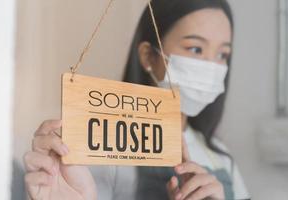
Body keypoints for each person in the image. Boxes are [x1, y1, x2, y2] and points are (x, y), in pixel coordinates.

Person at [23, 0, 250, 199]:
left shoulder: (221, 155)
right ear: (149, 56)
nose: (211, 66)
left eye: (222, 54)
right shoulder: (102, 148)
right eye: (195, 49)